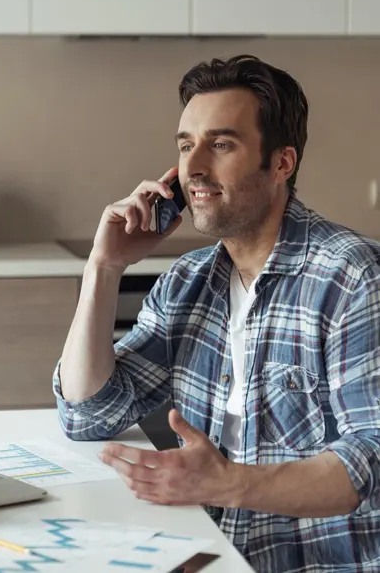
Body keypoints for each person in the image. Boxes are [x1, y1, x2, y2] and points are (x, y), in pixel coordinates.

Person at [52, 55, 380, 572]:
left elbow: (372, 457)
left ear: (281, 164)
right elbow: (89, 414)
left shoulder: (350, 276)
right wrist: (104, 265)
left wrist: (226, 483)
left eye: (221, 144)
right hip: (207, 549)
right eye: (186, 145)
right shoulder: (189, 281)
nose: (194, 167)